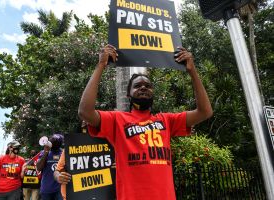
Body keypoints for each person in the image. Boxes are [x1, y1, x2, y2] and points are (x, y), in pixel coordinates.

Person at [78, 44, 213, 200]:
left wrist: (192, 70)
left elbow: (205, 112)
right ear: (128, 95)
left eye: (148, 86)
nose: (143, 87)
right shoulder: (117, 120)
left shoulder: (167, 120)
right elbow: (85, 112)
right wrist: (100, 65)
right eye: (137, 86)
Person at [36, 134, 63, 200]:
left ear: (59, 143)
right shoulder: (43, 152)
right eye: (51, 140)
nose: (52, 142)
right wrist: (46, 152)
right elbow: (38, 168)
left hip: (60, 190)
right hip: (46, 189)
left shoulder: (63, 153)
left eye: (55, 141)